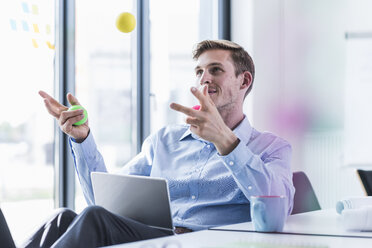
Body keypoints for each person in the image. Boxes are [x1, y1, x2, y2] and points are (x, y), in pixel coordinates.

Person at [1, 40, 295, 247]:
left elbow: (276, 210)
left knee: (95, 220)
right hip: (153, 238)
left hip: (205, 242)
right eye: (199, 71)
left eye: (215, 69)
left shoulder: (271, 148)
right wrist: (83, 139)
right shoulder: (164, 141)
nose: (203, 79)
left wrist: (226, 141)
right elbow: (103, 202)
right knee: (62, 217)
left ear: (244, 81)